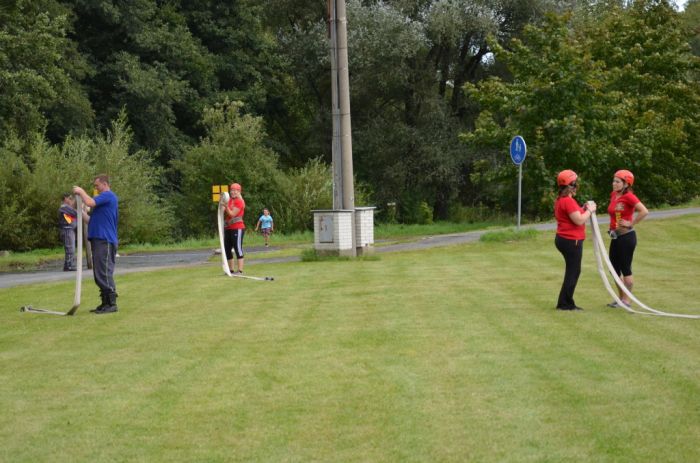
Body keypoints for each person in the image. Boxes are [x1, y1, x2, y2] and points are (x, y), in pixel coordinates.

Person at [73, 175, 119, 314]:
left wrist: (81, 191)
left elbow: (90, 202)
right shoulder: (102, 202)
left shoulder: (108, 195)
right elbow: (90, 220)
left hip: (105, 240)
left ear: (105, 184)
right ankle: (105, 303)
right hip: (99, 239)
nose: (96, 188)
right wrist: (79, 211)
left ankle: (111, 304)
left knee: (104, 271)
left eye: (97, 185)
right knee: (99, 272)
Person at [554, 170, 596, 311]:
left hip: (563, 239)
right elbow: (578, 220)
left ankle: (564, 302)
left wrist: (583, 208)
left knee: (572, 271)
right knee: (573, 272)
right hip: (571, 241)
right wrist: (590, 211)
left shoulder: (561, 199)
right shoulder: (568, 201)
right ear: (572, 185)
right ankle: (565, 304)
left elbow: (575, 213)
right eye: (576, 183)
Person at [606, 169, 649, 308]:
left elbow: (644, 211)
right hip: (615, 237)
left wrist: (631, 224)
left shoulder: (629, 196)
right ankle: (620, 299)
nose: (614, 183)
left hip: (626, 238)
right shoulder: (614, 195)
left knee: (625, 269)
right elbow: (614, 214)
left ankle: (627, 301)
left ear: (626, 184)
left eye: (618, 181)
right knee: (614, 270)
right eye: (614, 181)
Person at [222, 182, 246, 273]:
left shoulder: (240, 202)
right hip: (228, 228)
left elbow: (232, 214)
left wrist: (226, 207)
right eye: (232, 190)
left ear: (239, 192)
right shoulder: (229, 200)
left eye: (235, 190)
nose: (233, 192)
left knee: (237, 248)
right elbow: (223, 210)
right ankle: (230, 270)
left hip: (238, 228)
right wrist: (223, 205)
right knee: (227, 248)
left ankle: (240, 270)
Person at [58, 193, 78, 271]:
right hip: (67, 229)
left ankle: (68, 264)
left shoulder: (67, 208)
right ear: (65, 199)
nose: (71, 200)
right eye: (70, 198)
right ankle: (69, 265)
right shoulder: (64, 207)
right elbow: (75, 213)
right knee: (70, 247)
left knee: (71, 247)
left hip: (70, 229)